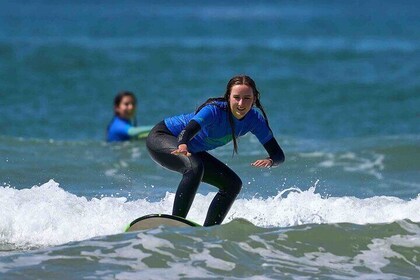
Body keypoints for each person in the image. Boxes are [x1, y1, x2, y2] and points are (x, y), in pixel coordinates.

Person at [146, 75, 285, 226]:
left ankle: (209, 231)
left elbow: (278, 155)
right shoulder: (214, 110)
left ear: (254, 99)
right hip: (162, 136)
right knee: (195, 167)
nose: (241, 103)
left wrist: (271, 161)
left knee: (232, 184)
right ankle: (176, 222)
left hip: (190, 148)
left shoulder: (254, 120)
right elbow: (189, 130)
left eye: (247, 98)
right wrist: (183, 144)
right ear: (228, 97)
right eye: (236, 97)